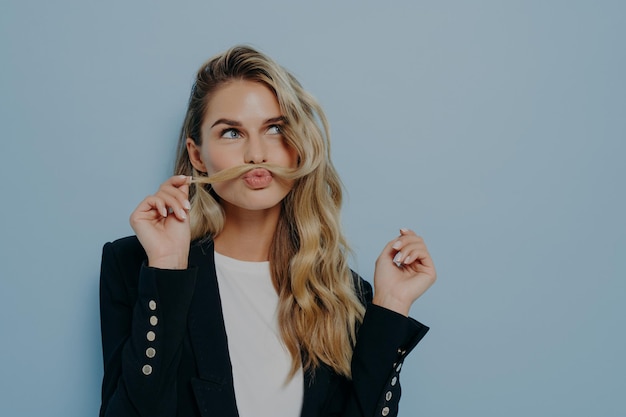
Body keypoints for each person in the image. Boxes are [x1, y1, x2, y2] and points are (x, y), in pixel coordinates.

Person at [99, 45, 436, 417]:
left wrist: (391, 306)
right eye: (231, 133)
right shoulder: (135, 266)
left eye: (275, 129)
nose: (256, 154)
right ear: (197, 155)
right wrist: (166, 266)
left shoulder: (342, 290)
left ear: (298, 148)